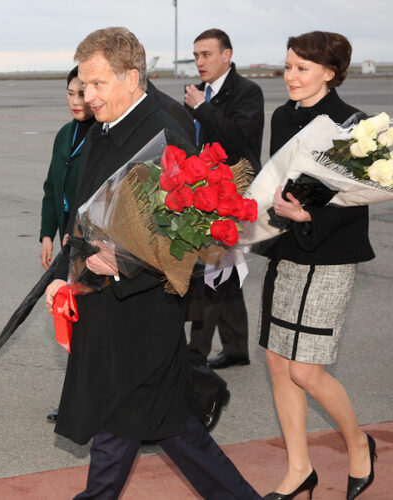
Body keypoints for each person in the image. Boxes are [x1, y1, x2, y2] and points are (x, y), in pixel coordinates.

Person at [45, 27, 260, 500]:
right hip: (107, 306)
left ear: (132, 78)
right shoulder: (103, 129)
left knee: (121, 420)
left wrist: (120, 263)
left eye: (98, 84)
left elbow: (183, 238)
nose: (87, 95)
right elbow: (84, 213)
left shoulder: (166, 135)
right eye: (83, 85)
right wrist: (67, 275)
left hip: (141, 312)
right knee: (171, 427)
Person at [260, 32, 376, 500]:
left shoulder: (355, 123)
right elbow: (279, 177)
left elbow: (358, 199)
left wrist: (312, 214)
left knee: (306, 371)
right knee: (276, 362)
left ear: (329, 72)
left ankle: (359, 445)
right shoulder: (282, 116)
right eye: (287, 67)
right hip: (286, 250)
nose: (290, 76)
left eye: (301, 68)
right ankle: (299, 471)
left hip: (330, 255)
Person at [184, 28, 264, 370]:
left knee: (211, 272)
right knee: (225, 271)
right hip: (202, 193)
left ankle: (194, 356)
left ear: (226, 55)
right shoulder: (196, 93)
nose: (199, 62)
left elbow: (240, 139)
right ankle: (235, 348)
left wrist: (202, 108)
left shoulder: (247, 92)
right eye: (196, 56)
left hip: (233, 194)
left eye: (206, 54)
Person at [39, 66, 95, 270]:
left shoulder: (101, 135)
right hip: (64, 233)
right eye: (70, 94)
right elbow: (52, 187)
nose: (75, 101)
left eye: (82, 94)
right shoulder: (64, 134)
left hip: (90, 240)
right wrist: (47, 235)